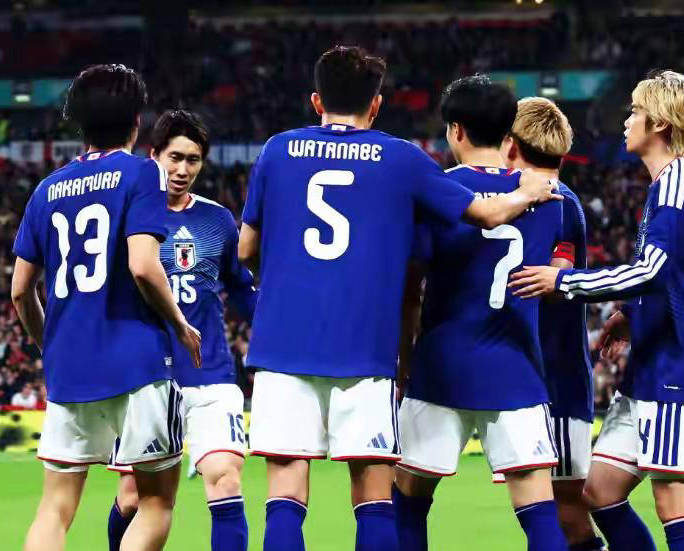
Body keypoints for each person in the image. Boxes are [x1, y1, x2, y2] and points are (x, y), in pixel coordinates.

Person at [237, 46, 561, 551]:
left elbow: (245, 249)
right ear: (376, 104)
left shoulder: (277, 150)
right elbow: (485, 214)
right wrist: (529, 192)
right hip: (365, 347)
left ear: (317, 100)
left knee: (285, 491)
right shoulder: (402, 158)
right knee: (373, 494)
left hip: (283, 342)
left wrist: (280, 280)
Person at [510, 70, 684, 551]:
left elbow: (652, 270)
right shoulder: (665, 185)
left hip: (677, 370)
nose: (627, 121)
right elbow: (675, 272)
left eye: (635, 111)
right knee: (599, 492)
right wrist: (630, 313)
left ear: (660, 124)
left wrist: (563, 281)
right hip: (651, 367)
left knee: (676, 505)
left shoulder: (679, 178)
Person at [12, 64, 201, 551]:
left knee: (54, 508)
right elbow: (143, 265)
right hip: (137, 361)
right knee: (155, 502)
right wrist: (180, 323)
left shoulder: (46, 190)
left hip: (70, 369)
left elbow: (20, 291)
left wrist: (50, 346)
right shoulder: (142, 172)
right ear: (136, 122)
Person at [393, 76, 568, 551]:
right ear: (510, 135)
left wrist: (405, 359)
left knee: (407, 502)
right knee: (539, 512)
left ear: (455, 130)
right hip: (516, 367)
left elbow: (410, 290)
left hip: (441, 366)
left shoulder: (437, 193)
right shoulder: (549, 197)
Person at [107, 110, 257, 551]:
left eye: (193, 160)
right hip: (147, 375)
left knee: (226, 479)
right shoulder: (126, 218)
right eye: (175, 157)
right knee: (133, 497)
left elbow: (241, 290)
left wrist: (280, 330)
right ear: (154, 155)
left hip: (211, 372)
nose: (183, 169)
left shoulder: (217, 220)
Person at [498, 97, 606, 551]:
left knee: (566, 511)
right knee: (540, 509)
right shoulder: (524, 197)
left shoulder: (561, 203)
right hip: (532, 374)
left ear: (511, 144)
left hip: (556, 379)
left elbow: (555, 281)